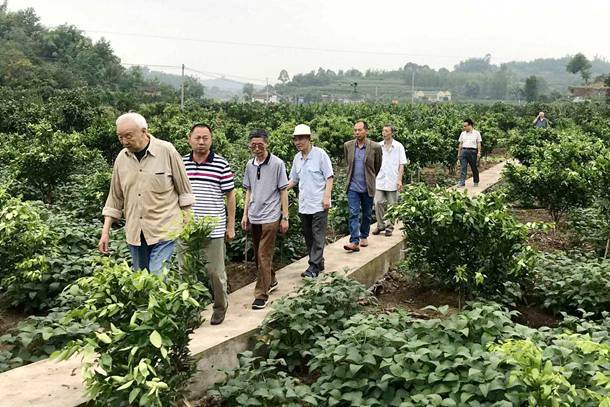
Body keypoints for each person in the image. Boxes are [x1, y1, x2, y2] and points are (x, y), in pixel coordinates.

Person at [99, 112, 195, 275]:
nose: (124, 142)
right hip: (136, 232)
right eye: (120, 137)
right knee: (141, 280)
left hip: (165, 229)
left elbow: (184, 191)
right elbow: (115, 198)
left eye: (128, 136)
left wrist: (188, 225)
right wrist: (105, 232)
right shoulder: (122, 158)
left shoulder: (167, 151)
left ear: (144, 131)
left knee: (157, 278)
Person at [181, 123, 236, 325]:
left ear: (211, 140)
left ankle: (220, 308)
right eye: (198, 137)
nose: (201, 141)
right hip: (187, 229)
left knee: (215, 272)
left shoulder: (221, 164)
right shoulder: (181, 163)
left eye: (205, 138)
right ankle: (190, 312)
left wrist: (230, 226)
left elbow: (231, 195)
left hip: (214, 229)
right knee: (186, 272)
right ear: (190, 139)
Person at [241, 129, 289, 310]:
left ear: (267, 144)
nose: (257, 148)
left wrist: (285, 216)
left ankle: (261, 294)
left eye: (260, 144)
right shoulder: (249, 165)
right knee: (258, 255)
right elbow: (249, 190)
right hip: (255, 215)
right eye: (253, 145)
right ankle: (272, 278)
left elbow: (283, 190)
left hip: (271, 216)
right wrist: (245, 214)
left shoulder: (277, 164)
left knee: (263, 254)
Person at [287, 124, 334, 278]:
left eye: (301, 138)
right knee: (308, 237)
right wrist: (280, 189)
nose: (298, 142)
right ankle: (319, 263)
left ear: (308, 139)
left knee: (318, 235)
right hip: (305, 205)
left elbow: (329, 176)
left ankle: (313, 267)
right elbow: (293, 180)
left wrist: (327, 196)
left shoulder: (320, 155)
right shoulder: (297, 158)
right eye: (295, 139)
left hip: (319, 204)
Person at [343, 120, 382, 252]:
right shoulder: (348, 146)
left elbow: (377, 165)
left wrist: (370, 178)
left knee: (366, 214)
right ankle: (354, 241)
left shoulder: (375, 147)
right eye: (355, 130)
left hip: (367, 186)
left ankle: (364, 235)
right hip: (353, 186)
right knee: (353, 213)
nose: (357, 133)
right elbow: (348, 163)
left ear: (366, 131)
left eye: (360, 130)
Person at [372, 125, 407, 237]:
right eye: (383, 130)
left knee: (392, 205)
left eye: (386, 131)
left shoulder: (398, 146)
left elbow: (402, 164)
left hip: (392, 180)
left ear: (392, 133)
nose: (384, 133)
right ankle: (380, 225)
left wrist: (399, 180)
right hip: (380, 179)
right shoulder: (378, 146)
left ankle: (389, 227)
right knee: (378, 203)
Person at [457, 118, 482, 188]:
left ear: (470, 125)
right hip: (463, 151)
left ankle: (476, 181)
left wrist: (479, 152)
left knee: (474, 167)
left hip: (472, 152)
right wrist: (459, 153)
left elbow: (479, 143)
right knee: (463, 168)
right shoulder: (462, 133)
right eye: (463, 126)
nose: (464, 128)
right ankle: (462, 183)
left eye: (465, 126)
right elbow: (460, 144)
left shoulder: (477, 133)